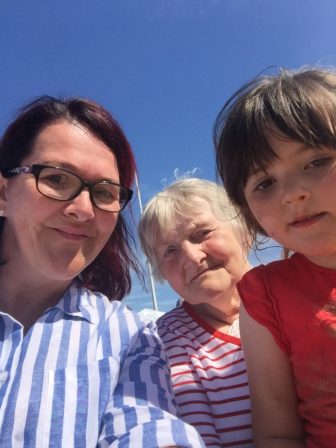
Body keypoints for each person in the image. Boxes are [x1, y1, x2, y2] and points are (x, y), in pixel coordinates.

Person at [0, 96, 205, 448]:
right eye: (57, 179)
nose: (83, 210)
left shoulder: (128, 336)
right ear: (3, 192)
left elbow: (147, 427)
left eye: (105, 192)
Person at [214, 67, 336, 447]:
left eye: (316, 161)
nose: (291, 194)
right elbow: (278, 432)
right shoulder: (265, 295)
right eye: (265, 183)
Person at [138, 178, 254, 448]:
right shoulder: (167, 341)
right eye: (170, 251)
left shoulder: (298, 295)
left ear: (243, 229)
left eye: (202, 233)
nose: (191, 257)